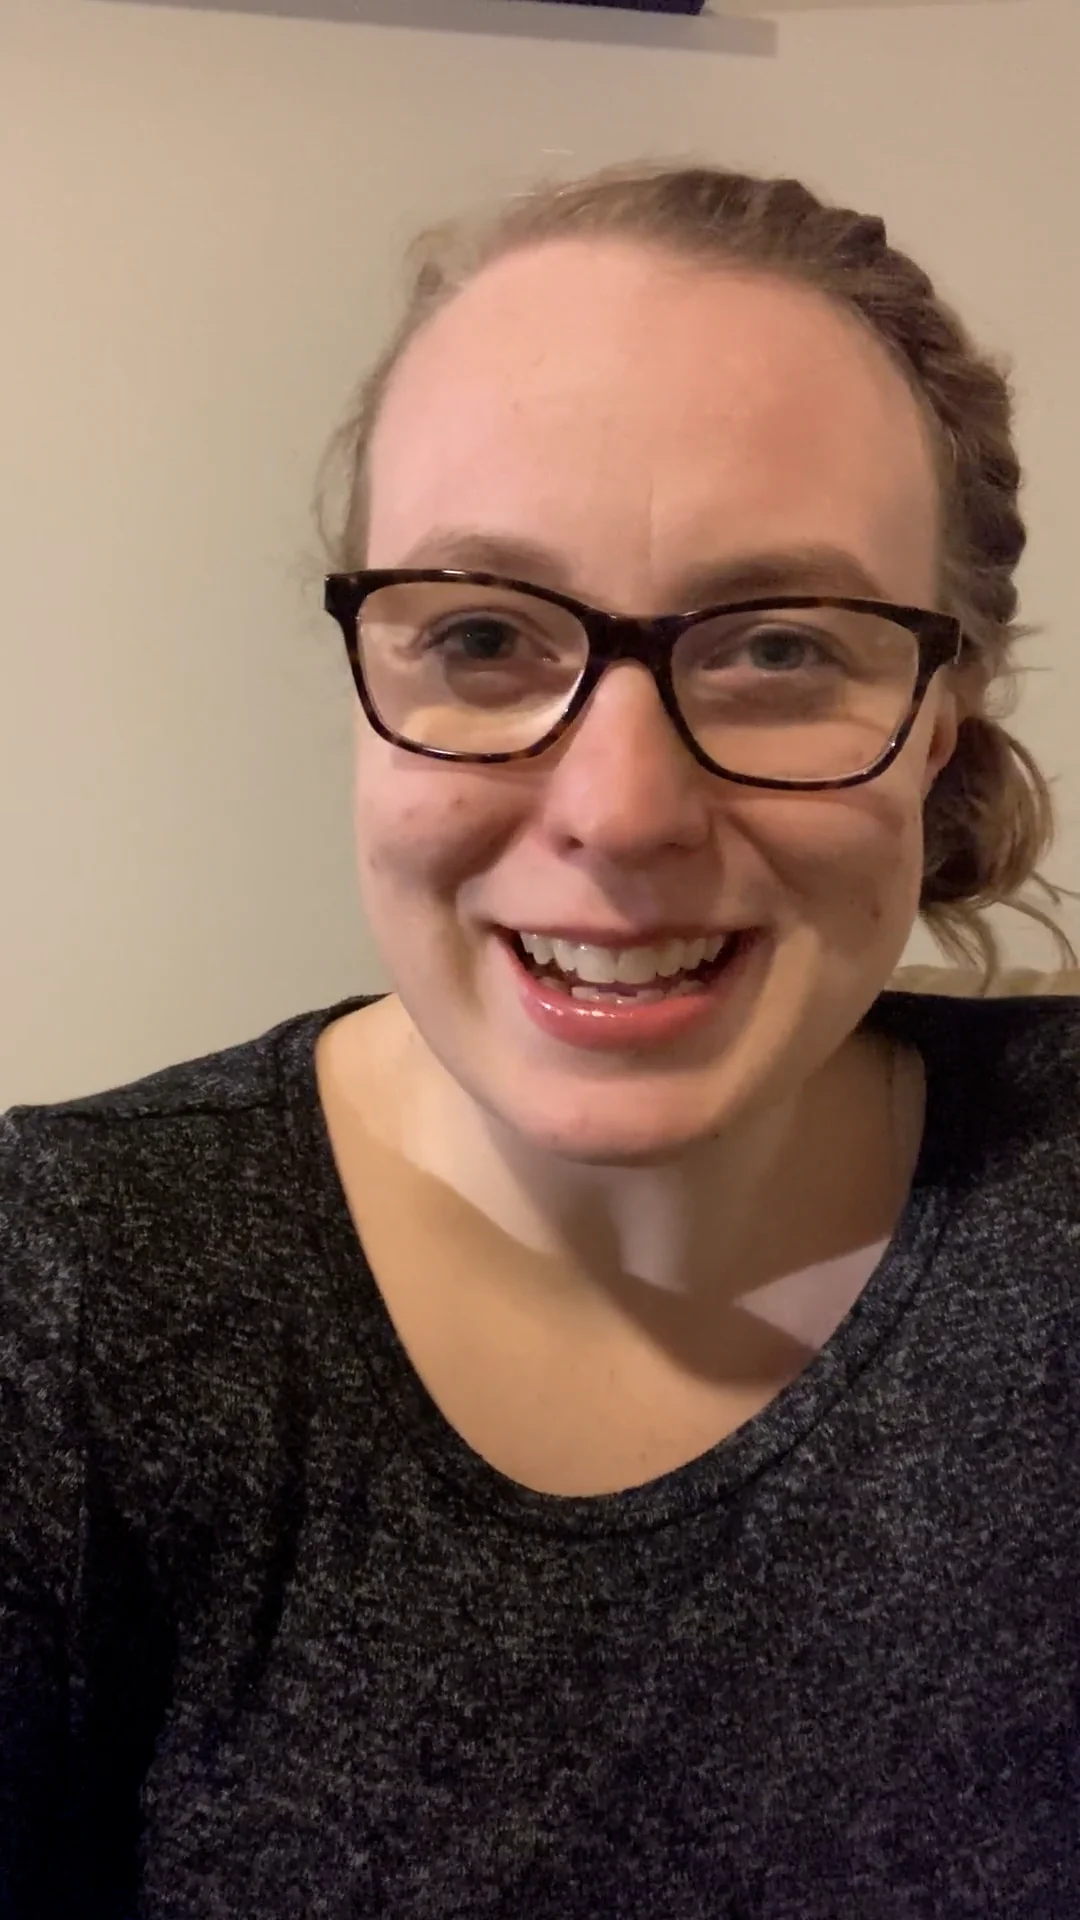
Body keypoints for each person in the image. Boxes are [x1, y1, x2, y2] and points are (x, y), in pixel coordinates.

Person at [2, 157, 1079, 1919]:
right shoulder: (60, 1302)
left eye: (781, 648)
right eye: (488, 635)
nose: (622, 811)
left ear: (938, 727)